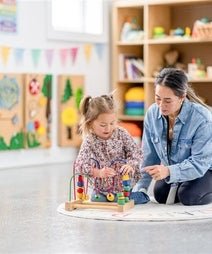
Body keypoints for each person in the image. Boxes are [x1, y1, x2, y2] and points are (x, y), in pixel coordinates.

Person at [132, 68, 212, 206]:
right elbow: (148, 156)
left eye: (168, 101)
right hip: (177, 168)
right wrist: (141, 188)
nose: (161, 106)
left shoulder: (202, 118)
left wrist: (168, 171)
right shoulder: (152, 114)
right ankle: (181, 183)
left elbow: (200, 163)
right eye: (158, 98)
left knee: (189, 196)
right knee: (160, 195)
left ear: (182, 97)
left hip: (205, 169)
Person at [74, 94, 149, 204]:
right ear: (90, 124)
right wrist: (98, 172)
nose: (108, 128)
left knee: (120, 199)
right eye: (103, 125)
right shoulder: (89, 140)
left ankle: (141, 195)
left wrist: (130, 165)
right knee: (95, 199)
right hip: (102, 186)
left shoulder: (121, 133)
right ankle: (113, 197)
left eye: (112, 123)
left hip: (123, 183)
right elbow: (79, 165)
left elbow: (136, 153)